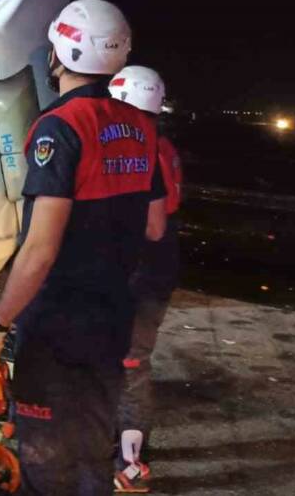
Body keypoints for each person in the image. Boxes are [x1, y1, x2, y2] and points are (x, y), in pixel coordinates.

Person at [0, 0, 167, 495]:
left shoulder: (59, 128)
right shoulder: (144, 128)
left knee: (45, 457)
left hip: (59, 321)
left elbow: (40, 252)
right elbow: (152, 227)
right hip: (112, 313)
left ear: (59, 54)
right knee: (92, 443)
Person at [108, 66, 182, 492]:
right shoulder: (165, 144)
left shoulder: (138, 148)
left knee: (129, 364)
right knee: (131, 362)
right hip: (158, 267)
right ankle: (125, 451)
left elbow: (142, 223)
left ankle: (131, 463)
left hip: (136, 270)